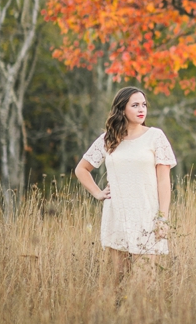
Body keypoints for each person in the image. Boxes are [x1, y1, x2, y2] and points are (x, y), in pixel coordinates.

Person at [75, 86, 177, 275]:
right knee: (116, 277)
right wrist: (98, 193)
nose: (141, 109)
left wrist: (163, 218)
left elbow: (164, 181)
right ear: (122, 109)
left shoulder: (155, 137)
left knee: (145, 278)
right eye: (135, 105)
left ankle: (143, 307)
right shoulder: (108, 139)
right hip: (117, 214)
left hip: (147, 214)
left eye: (144, 105)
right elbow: (81, 169)